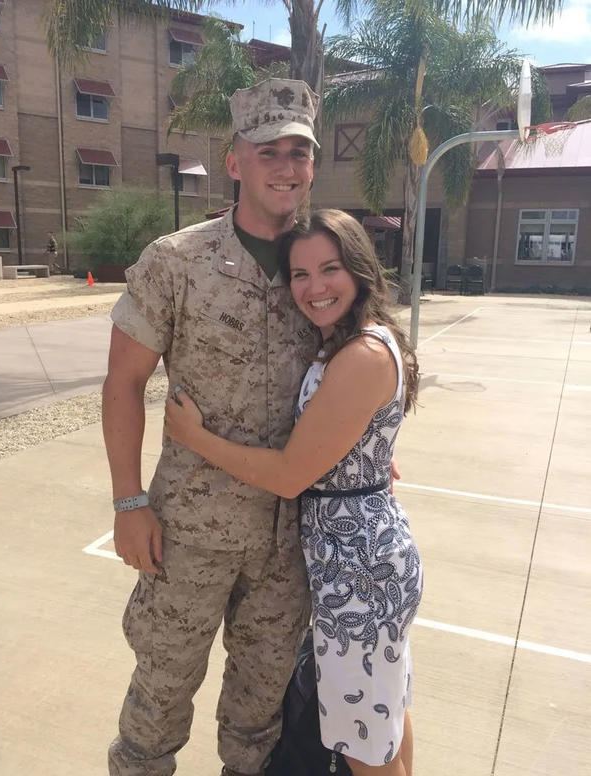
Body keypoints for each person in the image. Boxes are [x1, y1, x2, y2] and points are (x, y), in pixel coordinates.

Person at [103, 78, 323, 776]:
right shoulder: (176, 261)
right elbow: (124, 384)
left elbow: (355, 374)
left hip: (287, 540)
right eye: (268, 152)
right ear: (235, 162)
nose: (285, 166)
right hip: (187, 533)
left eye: (299, 151)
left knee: (258, 721)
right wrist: (128, 502)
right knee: (158, 704)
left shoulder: (321, 268)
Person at [164, 209, 423, 776]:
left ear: (358, 269)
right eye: (300, 275)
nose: (313, 287)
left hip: (357, 574)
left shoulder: (360, 355)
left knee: (363, 744)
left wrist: (195, 437)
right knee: (384, 721)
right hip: (363, 560)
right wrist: (365, 461)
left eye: (329, 269)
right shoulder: (357, 341)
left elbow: (287, 476)